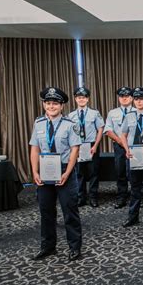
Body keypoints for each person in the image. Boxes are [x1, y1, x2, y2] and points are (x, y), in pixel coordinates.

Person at [29, 87, 82, 261]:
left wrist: (67, 173)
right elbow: (34, 149)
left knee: (69, 210)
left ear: (61, 106)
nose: (51, 106)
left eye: (55, 103)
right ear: (44, 104)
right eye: (48, 103)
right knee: (46, 211)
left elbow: (75, 150)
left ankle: (74, 247)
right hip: (44, 171)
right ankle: (48, 246)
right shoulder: (38, 124)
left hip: (64, 169)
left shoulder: (70, 124)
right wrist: (35, 171)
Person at [120, 87, 143, 227]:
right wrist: (126, 149)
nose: (139, 101)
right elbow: (123, 135)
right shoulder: (129, 116)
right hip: (133, 157)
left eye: (141, 99)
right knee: (135, 188)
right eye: (136, 99)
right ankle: (133, 217)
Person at [67, 87, 104, 207]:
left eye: (83, 97)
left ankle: (93, 197)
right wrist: (73, 149)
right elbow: (69, 133)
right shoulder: (71, 115)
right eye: (79, 97)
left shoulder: (95, 113)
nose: (81, 99)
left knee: (93, 173)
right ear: (75, 99)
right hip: (77, 146)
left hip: (91, 145)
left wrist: (96, 146)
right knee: (79, 173)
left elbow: (100, 129)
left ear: (87, 99)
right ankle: (81, 197)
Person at [104, 87, 134, 209]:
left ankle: (137, 196)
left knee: (135, 172)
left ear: (131, 98)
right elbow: (107, 130)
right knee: (120, 172)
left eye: (127, 96)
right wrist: (121, 142)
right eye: (122, 96)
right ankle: (122, 197)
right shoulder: (113, 113)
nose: (124, 98)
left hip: (134, 147)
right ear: (119, 98)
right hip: (119, 147)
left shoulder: (137, 111)